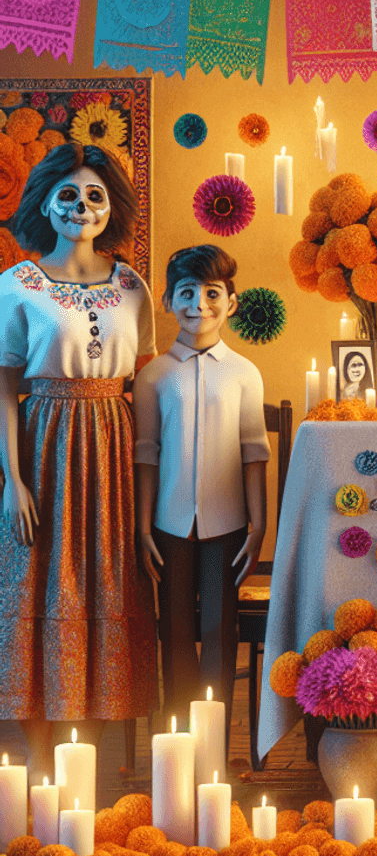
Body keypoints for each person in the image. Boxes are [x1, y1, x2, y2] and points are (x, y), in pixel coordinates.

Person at [0, 142, 157, 776]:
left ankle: (88, 768)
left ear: (111, 206)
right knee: (38, 586)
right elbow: (5, 389)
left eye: (95, 196)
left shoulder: (132, 285)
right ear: (43, 201)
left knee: (103, 587)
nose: (82, 207)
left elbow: (143, 386)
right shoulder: (18, 285)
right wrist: (12, 481)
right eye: (68, 194)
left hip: (113, 455)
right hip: (40, 447)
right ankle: (39, 768)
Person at [133, 245, 270, 736]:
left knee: (218, 629)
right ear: (168, 300)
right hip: (167, 525)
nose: (199, 304)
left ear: (231, 302)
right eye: (186, 293)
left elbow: (254, 453)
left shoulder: (244, 373)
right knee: (174, 630)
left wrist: (259, 527)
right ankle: (178, 738)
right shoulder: (152, 376)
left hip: (227, 526)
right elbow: (145, 454)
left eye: (212, 293)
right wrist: (141, 525)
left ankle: (214, 741)